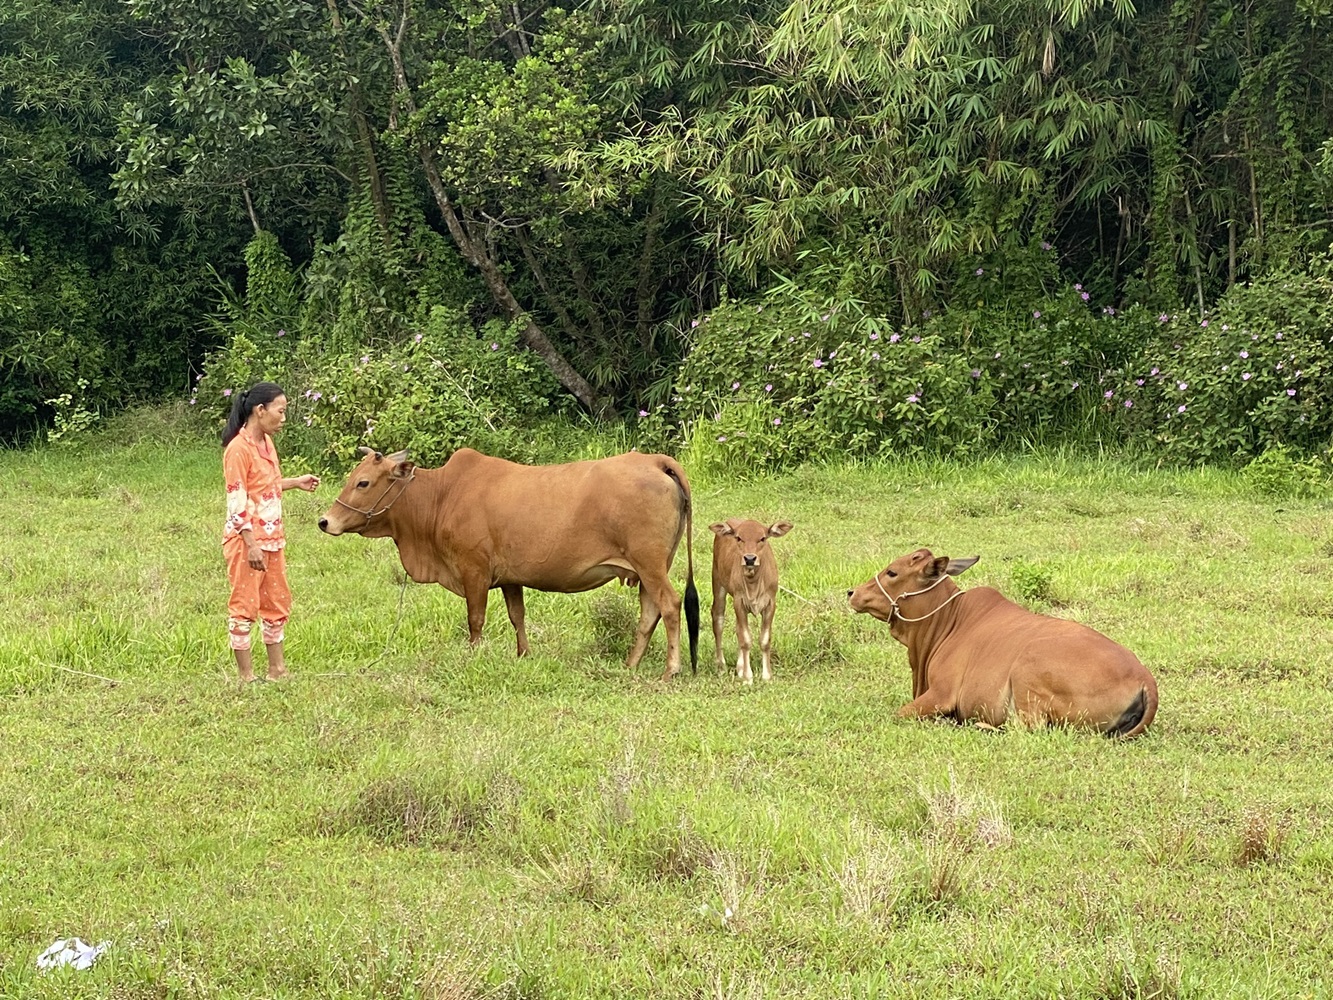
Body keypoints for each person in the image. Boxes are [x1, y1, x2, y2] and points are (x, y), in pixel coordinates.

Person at [220, 381, 320, 682]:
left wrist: (295, 482)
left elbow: (264, 486)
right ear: (260, 411)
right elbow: (237, 500)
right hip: (247, 542)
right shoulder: (237, 450)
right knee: (245, 604)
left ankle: (277, 670)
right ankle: (246, 676)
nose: (284, 418)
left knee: (276, 602)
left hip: (273, 539)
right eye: (281, 410)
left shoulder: (266, 443)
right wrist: (251, 544)